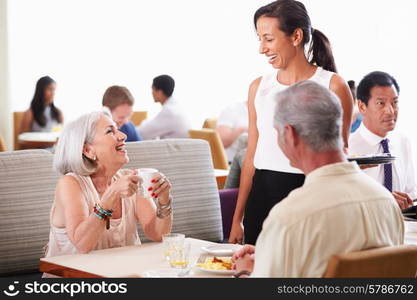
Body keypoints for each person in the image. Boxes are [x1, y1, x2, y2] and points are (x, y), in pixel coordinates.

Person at [232, 81, 404, 277]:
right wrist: (270, 255)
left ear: (290, 134)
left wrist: (246, 272)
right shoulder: (387, 203)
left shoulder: (289, 217)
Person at [229, 0, 354, 245]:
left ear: (296, 36)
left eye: (268, 38)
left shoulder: (333, 86)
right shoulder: (259, 87)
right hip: (262, 196)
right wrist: (237, 219)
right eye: (259, 39)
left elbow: (341, 154)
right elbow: (252, 156)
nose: (261, 49)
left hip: (313, 195)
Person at [43, 111, 173, 276]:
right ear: (88, 150)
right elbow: (83, 244)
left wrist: (164, 200)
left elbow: (158, 234)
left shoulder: (130, 180)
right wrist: (112, 194)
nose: (123, 135)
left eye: (117, 129)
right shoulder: (71, 184)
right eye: (110, 131)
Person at [349, 71, 416, 210]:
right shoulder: (348, 149)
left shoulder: (403, 142)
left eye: (395, 102)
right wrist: (382, 203)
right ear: (362, 107)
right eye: (381, 103)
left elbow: (411, 192)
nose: (391, 111)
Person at [136, 75, 191, 139]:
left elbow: (143, 133)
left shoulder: (170, 111)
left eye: (153, 89)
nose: (152, 93)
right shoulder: (175, 107)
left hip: (177, 147)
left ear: (159, 92)